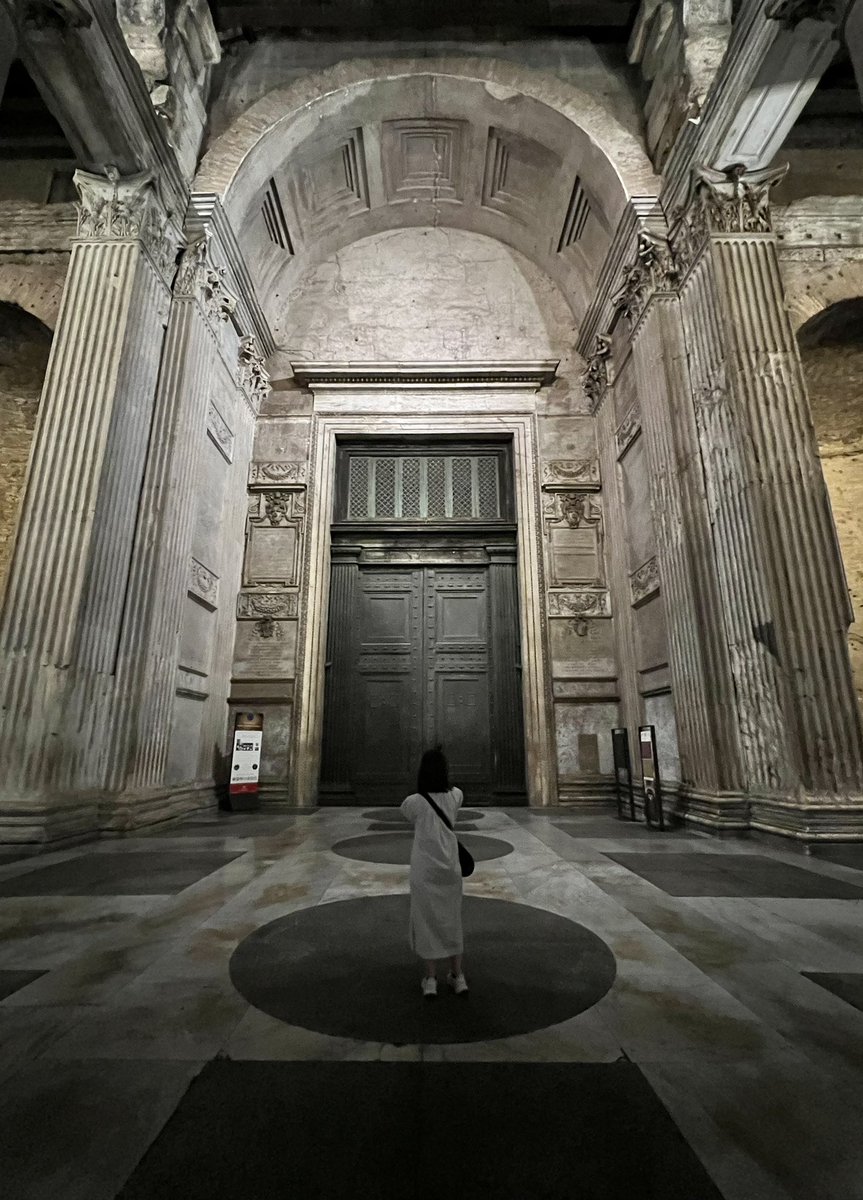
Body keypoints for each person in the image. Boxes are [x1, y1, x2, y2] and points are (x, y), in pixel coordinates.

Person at [400, 747, 468, 999]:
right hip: (450, 869)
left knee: (425, 921)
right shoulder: (456, 796)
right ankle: (458, 976)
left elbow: (405, 812)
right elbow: (456, 795)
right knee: (452, 920)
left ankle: (431, 980)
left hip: (424, 871)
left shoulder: (415, 803)